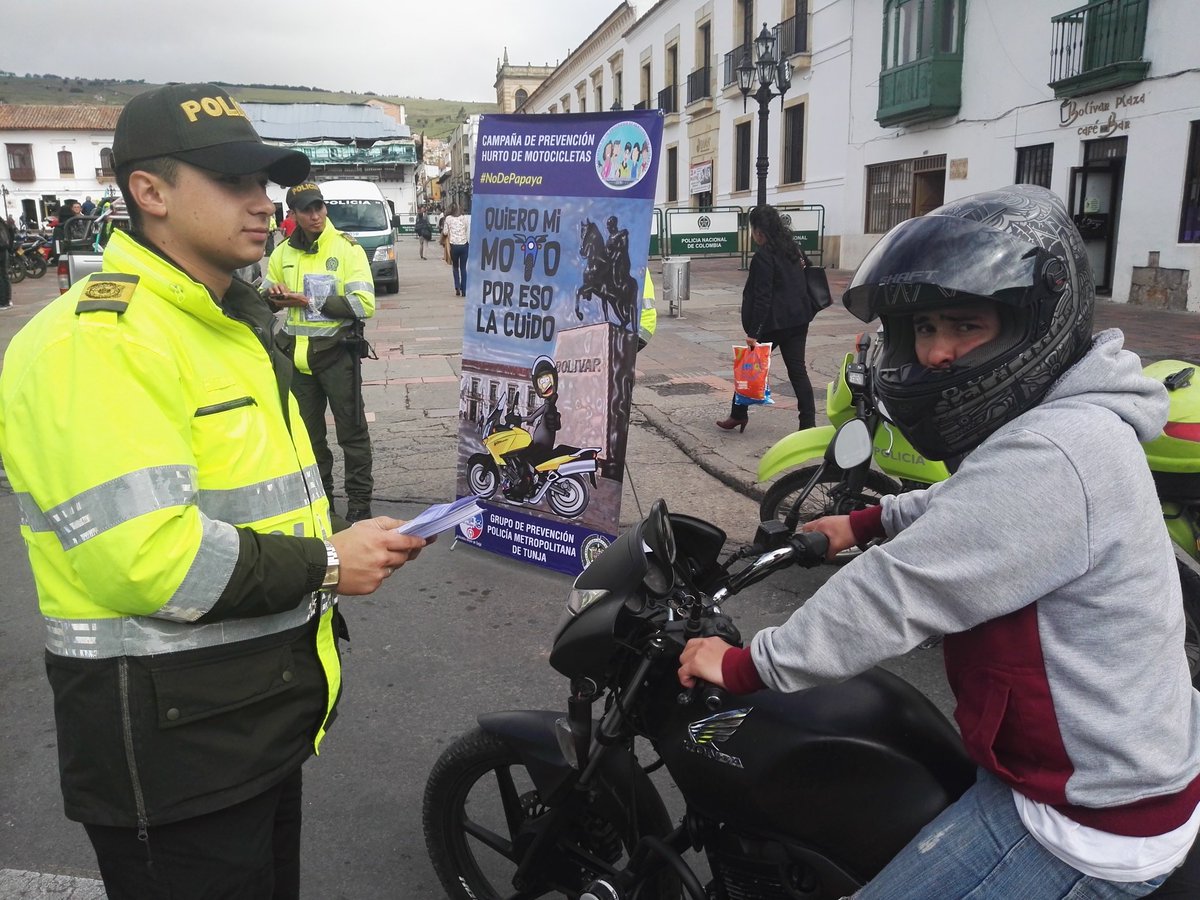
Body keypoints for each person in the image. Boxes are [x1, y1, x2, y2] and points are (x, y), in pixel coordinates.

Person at [680, 185, 1200, 898]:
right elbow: (978, 500)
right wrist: (866, 520)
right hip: (1075, 762)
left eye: (965, 324)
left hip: (1087, 821)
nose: (935, 352)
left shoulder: (1060, 452)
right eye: (923, 328)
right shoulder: (1065, 425)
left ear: (1034, 320)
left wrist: (742, 666)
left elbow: (895, 592)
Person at [0, 82, 427, 900]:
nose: (262, 203)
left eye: (264, 182)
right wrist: (329, 563)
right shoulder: (102, 342)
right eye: (232, 181)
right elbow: (148, 560)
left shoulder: (219, 319)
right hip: (168, 756)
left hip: (247, 723)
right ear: (149, 192)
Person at [264, 181, 377, 523]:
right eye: (307, 210)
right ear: (294, 215)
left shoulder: (346, 249)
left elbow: (364, 304)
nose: (316, 215)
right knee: (309, 439)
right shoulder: (282, 253)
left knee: (352, 434)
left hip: (336, 356)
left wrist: (306, 300)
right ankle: (322, 499)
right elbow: (266, 293)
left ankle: (359, 502)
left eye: (319, 207)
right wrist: (273, 295)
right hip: (296, 362)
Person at [717, 204, 818, 433]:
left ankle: (738, 415)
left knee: (749, 366)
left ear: (759, 232)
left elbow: (762, 297)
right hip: (798, 319)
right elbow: (807, 271)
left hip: (775, 323)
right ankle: (808, 424)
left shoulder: (764, 256)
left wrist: (754, 333)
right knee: (798, 371)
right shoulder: (792, 247)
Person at [443, 203, 471, 296]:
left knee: (455, 267)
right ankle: (464, 290)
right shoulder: (464, 218)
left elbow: (445, 232)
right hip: (464, 245)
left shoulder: (448, 219)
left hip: (453, 246)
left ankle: (457, 286)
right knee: (463, 268)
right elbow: (466, 229)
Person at [0, 213, 12, 310]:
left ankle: (3, 302)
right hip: (4, 251)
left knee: (1, 276)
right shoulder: (2, 222)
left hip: (1, 251)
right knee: (4, 275)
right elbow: (10, 232)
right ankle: (7, 300)